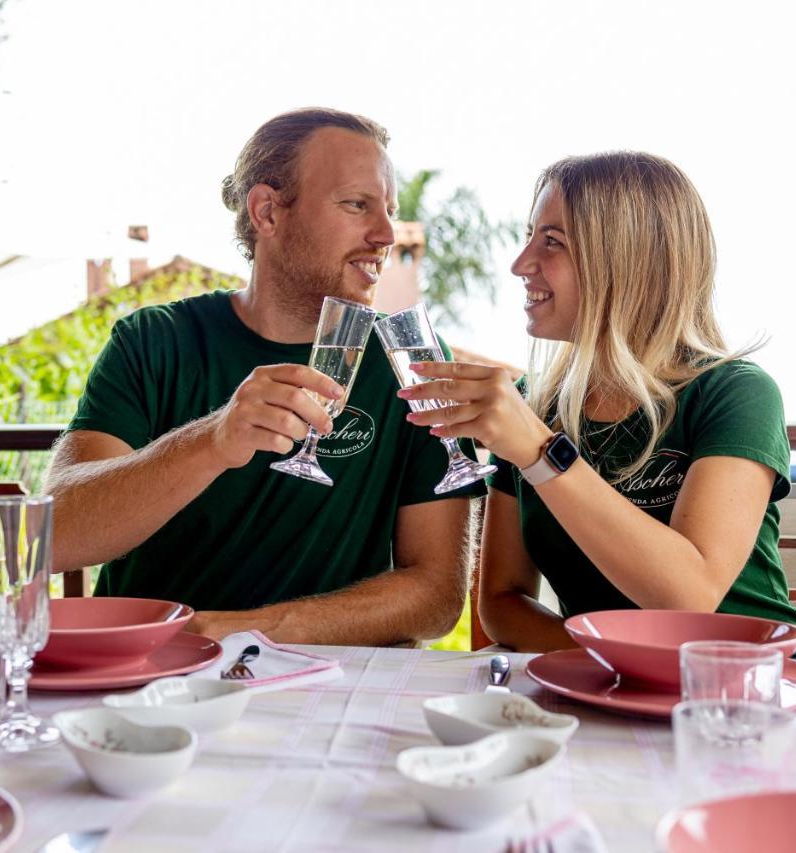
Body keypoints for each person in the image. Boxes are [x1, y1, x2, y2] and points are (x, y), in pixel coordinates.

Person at [44, 108, 485, 646]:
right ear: (268, 211)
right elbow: (56, 536)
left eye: (388, 210)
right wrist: (213, 440)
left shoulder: (407, 360)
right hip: (157, 686)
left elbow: (438, 595)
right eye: (357, 205)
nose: (386, 234)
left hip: (330, 690)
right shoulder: (154, 341)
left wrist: (248, 631)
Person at [400, 151, 796, 652]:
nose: (521, 264)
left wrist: (542, 455)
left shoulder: (733, 393)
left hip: (759, 688)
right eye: (528, 237)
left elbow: (689, 594)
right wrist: (616, 668)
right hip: (612, 693)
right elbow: (501, 601)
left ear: (626, 258)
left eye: (552, 241)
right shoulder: (533, 406)